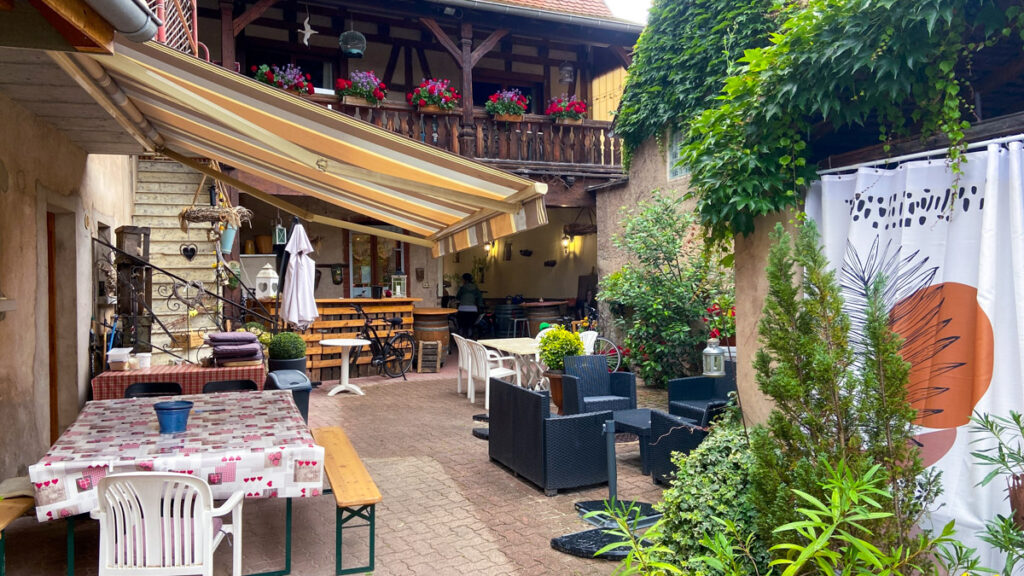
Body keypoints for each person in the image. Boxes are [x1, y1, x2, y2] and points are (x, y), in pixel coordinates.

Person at [455, 273, 483, 337]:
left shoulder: (462, 288)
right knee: (470, 326)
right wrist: (480, 307)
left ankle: (460, 340)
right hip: (473, 310)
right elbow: (479, 300)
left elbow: (458, 297)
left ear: (464, 280)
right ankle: (469, 339)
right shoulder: (476, 288)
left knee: (461, 326)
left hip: (462, 309)